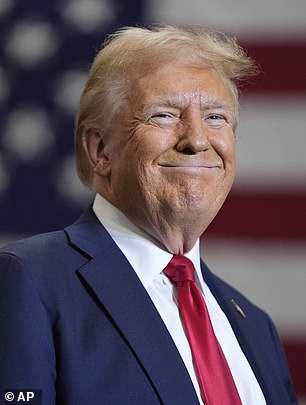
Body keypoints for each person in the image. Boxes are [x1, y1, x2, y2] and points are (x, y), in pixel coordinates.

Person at [0, 26, 297, 405]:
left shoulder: (255, 326)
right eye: (164, 115)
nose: (197, 139)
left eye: (216, 118)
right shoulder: (29, 282)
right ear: (101, 150)